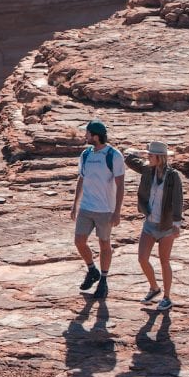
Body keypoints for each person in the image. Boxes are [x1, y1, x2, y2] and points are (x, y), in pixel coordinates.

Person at [124, 141, 184, 312]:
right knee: (142, 258)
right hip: (150, 223)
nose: (149, 157)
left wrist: (176, 224)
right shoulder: (147, 169)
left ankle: (167, 298)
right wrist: (141, 153)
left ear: (160, 157)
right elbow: (128, 160)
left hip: (165, 225)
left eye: (151, 155)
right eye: (148, 155)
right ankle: (154, 288)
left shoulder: (173, 176)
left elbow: (178, 199)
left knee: (164, 261)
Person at [71, 119, 125, 299]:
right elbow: (81, 178)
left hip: (105, 209)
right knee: (79, 241)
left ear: (95, 136)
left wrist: (117, 211)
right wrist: (75, 204)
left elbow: (121, 184)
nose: (85, 136)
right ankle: (92, 270)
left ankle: (103, 279)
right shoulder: (86, 154)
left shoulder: (113, 155)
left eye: (87, 133)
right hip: (86, 206)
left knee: (104, 244)